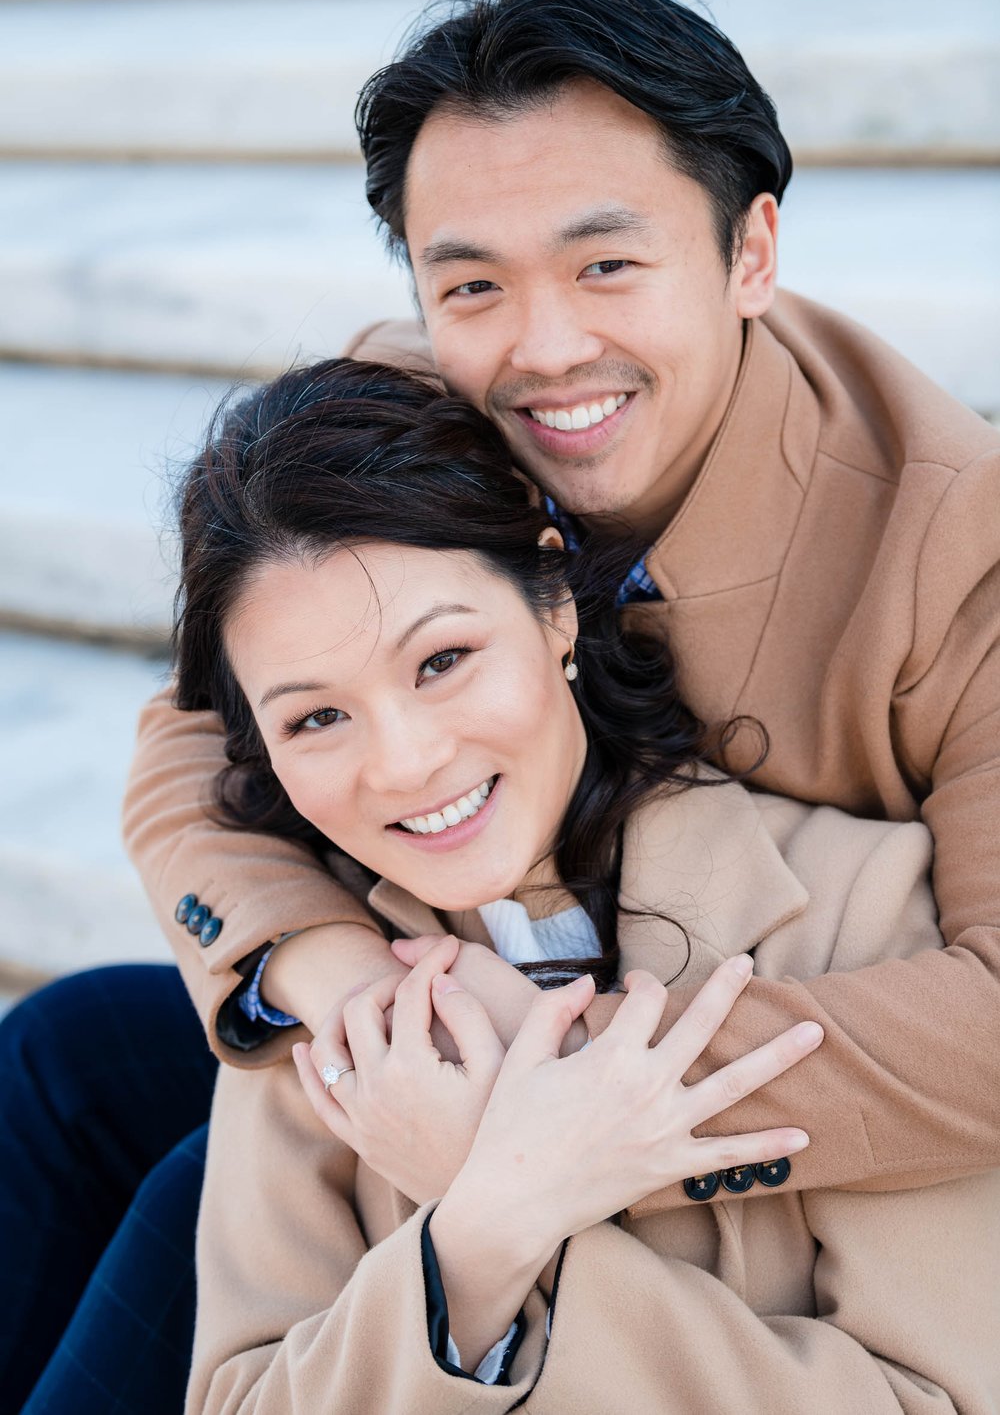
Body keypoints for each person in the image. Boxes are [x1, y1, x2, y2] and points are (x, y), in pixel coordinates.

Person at [4, 0, 999, 1408]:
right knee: (74, 1063)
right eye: (471, 283)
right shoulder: (413, 416)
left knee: (191, 1192)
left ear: (750, 253)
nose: (543, 348)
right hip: (474, 980)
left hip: (782, 1114)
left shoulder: (958, 551)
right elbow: (195, 752)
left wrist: (546, 1100)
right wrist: (347, 986)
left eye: (606, 263)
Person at [176, 356, 996, 1411]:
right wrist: (485, 1230)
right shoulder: (322, 978)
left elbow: (934, 1402)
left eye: (441, 661)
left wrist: (509, 1212)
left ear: (555, 608)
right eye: (315, 718)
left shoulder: (858, 908)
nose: (404, 763)